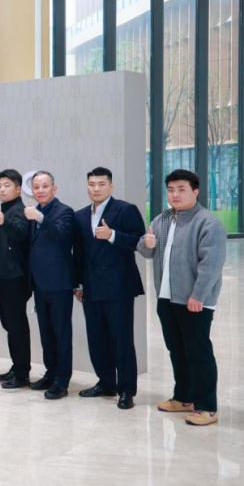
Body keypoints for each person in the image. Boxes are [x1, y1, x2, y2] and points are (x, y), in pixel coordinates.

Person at [137, 169, 226, 426]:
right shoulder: (162, 219)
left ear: (195, 192)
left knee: (198, 352)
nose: (175, 195)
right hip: (167, 298)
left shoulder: (208, 222)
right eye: (171, 190)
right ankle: (184, 397)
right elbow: (146, 250)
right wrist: (146, 244)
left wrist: (198, 295)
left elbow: (211, 265)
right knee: (177, 350)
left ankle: (207, 407)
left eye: (181, 189)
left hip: (194, 300)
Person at [73, 167, 145, 410]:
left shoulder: (125, 210)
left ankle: (126, 390)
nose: (96, 189)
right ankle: (106, 383)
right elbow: (78, 253)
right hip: (91, 287)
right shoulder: (80, 215)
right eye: (92, 184)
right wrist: (78, 284)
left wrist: (112, 235)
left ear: (111, 186)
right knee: (97, 339)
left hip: (118, 287)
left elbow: (139, 242)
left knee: (122, 340)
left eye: (101, 184)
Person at [25, 171, 75, 400]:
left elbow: (61, 236)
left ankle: (62, 381)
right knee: (46, 334)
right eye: (36, 187)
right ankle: (51, 373)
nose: (40, 190)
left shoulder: (64, 211)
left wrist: (40, 219)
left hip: (59, 283)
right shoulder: (33, 212)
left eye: (45, 186)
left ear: (54, 189)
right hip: (39, 284)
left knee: (61, 333)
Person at [0, 169, 32, 389]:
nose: (2, 189)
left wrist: (4, 221)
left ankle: (22, 373)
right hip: (1, 277)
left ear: (18, 189)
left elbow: (21, 234)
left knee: (17, 326)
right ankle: (16, 367)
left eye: (7, 185)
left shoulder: (19, 210)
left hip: (14, 277)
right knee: (10, 325)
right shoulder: (4, 209)